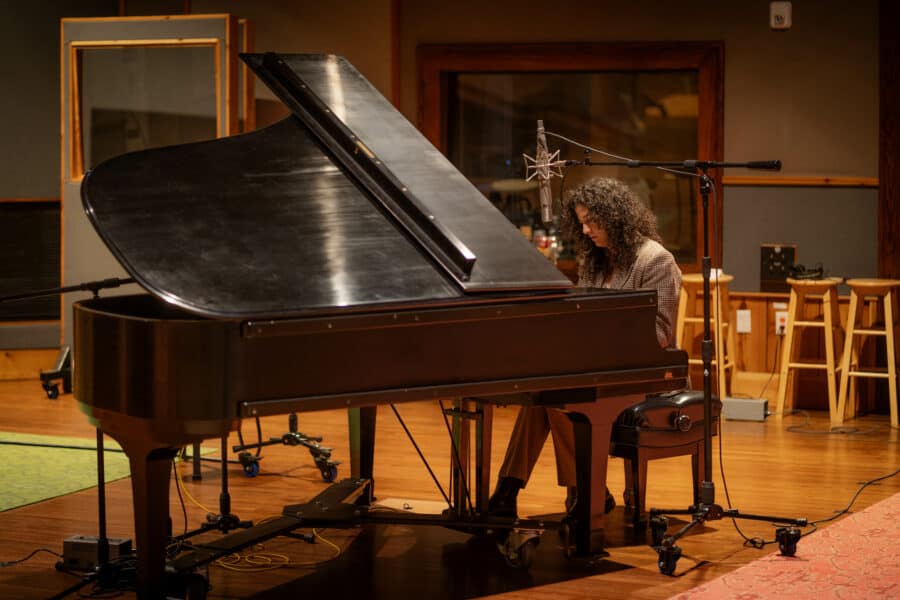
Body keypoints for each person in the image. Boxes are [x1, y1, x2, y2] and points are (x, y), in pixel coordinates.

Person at [488, 176, 682, 518]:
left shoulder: (655, 260)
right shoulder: (595, 260)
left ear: (615, 216)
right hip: (600, 369)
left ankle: (549, 490)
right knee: (545, 391)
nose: (586, 230)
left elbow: (660, 334)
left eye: (592, 221)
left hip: (645, 376)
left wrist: (599, 347)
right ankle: (545, 490)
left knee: (559, 396)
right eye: (581, 223)